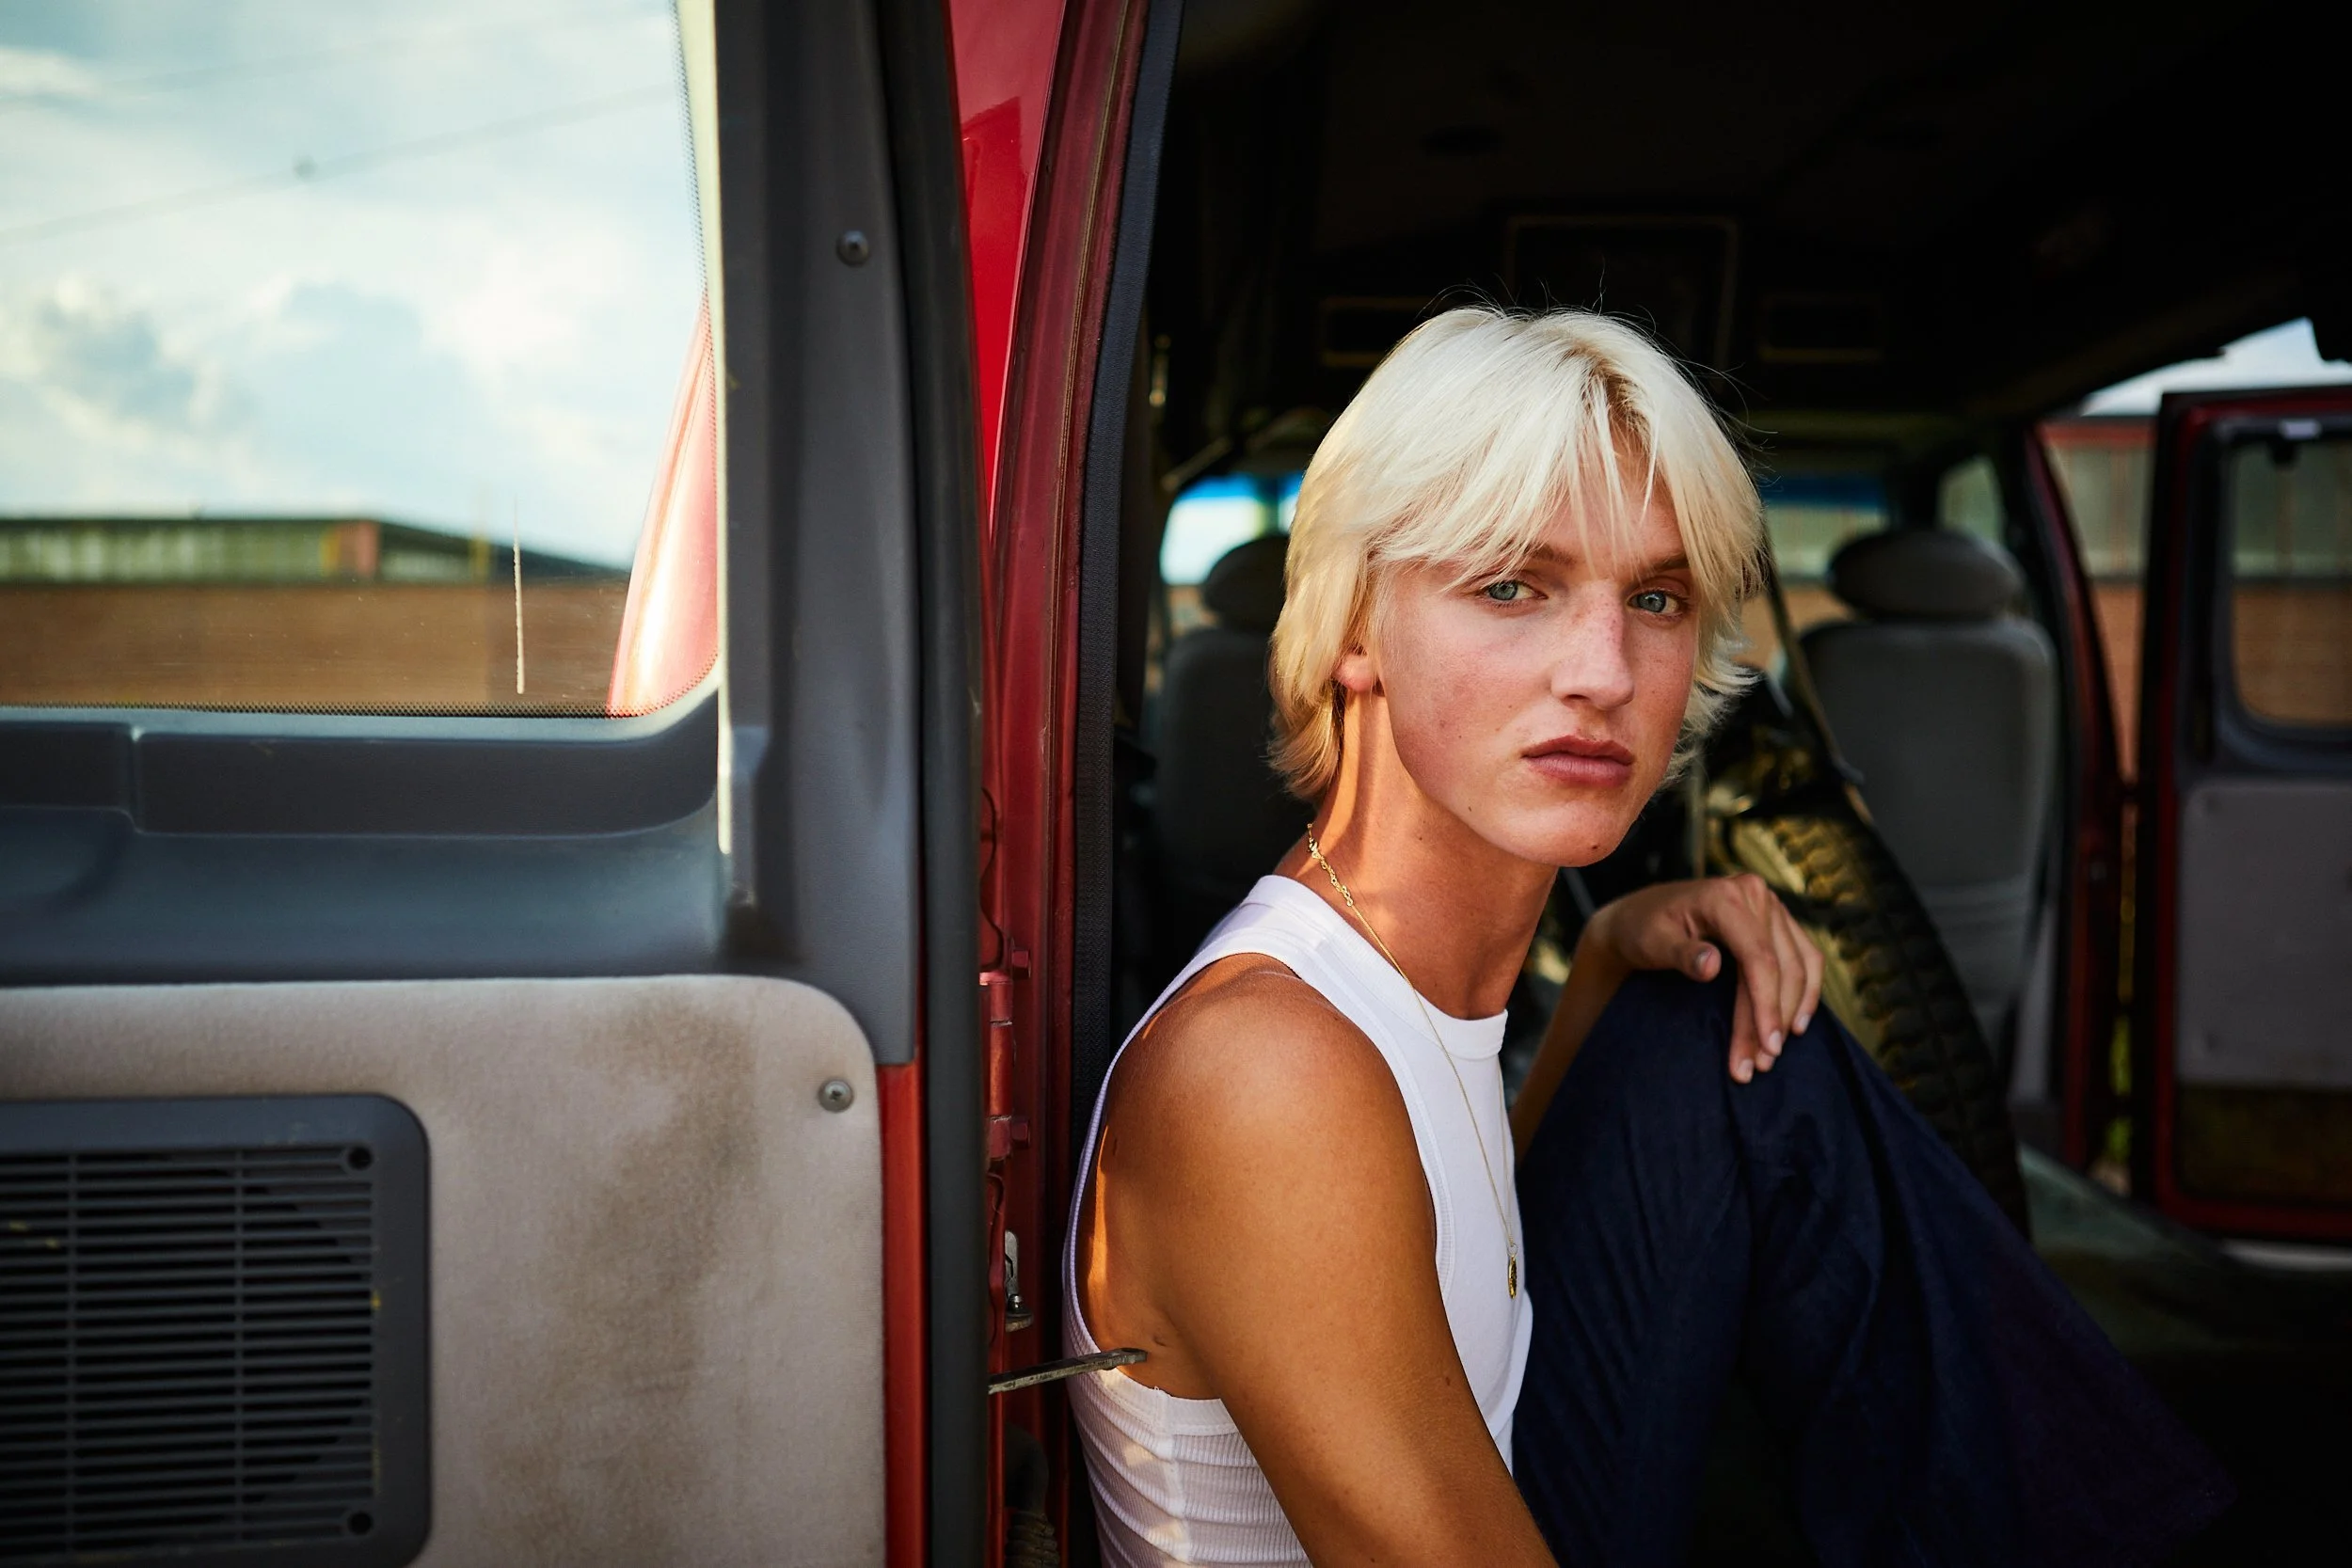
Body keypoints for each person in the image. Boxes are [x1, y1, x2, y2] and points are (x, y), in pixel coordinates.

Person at [1063, 308, 2229, 1566]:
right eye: (1514, 583)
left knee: (1710, 1021)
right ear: (1357, 628)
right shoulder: (1268, 1069)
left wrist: (1609, 958)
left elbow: (1463, 1255)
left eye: (1658, 596)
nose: (1606, 670)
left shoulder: (1395, 991)